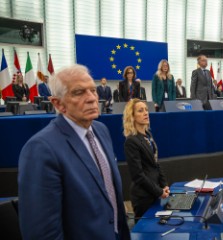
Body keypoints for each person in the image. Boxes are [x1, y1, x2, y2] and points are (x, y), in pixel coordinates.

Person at [18, 64, 130, 240]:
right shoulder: (41, 149)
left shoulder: (101, 130)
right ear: (58, 103)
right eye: (79, 92)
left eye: (93, 90)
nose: (92, 98)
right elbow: (42, 234)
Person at [123, 99, 169, 219]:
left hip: (155, 191)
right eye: (140, 110)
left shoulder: (148, 135)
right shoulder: (131, 141)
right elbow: (138, 175)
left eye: (146, 110)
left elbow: (156, 163)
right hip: (143, 197)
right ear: (132, 116)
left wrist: (164, 185)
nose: (145, 113)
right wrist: (159, 191)